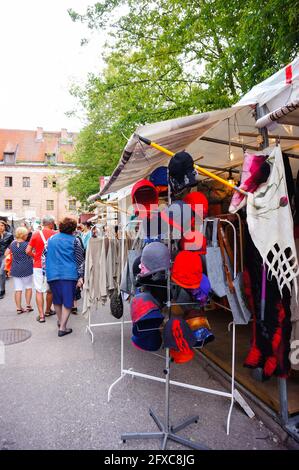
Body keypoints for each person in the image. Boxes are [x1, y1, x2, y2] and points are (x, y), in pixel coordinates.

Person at [45, 217, 84, 337]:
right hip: (69, 274)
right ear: (73, 229)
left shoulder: (51, 239)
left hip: (52, 273)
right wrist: (81, 276)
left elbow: (45, 254)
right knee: (68, 300)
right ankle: (62, 327)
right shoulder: (75, 240)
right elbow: (79, 260)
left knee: (57, 300)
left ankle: (60, 320)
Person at [26, 215, 56, 323]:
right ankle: (48, 310)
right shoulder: (56, 234)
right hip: (52, 266)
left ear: (43, 224)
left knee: (39, 290)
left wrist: (35, 257)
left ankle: (42, 316)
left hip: (38, 266)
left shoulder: (35, 234)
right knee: (50, 290)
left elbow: (28, 250)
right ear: (51, 224)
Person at [7, 227, 34, 314]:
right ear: (23, 235)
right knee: (28, 287)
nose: (27, 236)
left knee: (18, 289)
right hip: (27, 268)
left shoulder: (12, 244)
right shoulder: (27, 244)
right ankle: (28, 306)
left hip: (15, 268)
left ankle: (18, 308)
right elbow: (30, 253)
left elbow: (6, 253)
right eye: (26, 234)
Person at [0, 220, 14, 299]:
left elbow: (13, 245)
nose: (0, 227)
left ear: (5, 227)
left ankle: (2, 290)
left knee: (1, 273)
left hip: (5, 256)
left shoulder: (9, 235)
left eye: (2, 225)